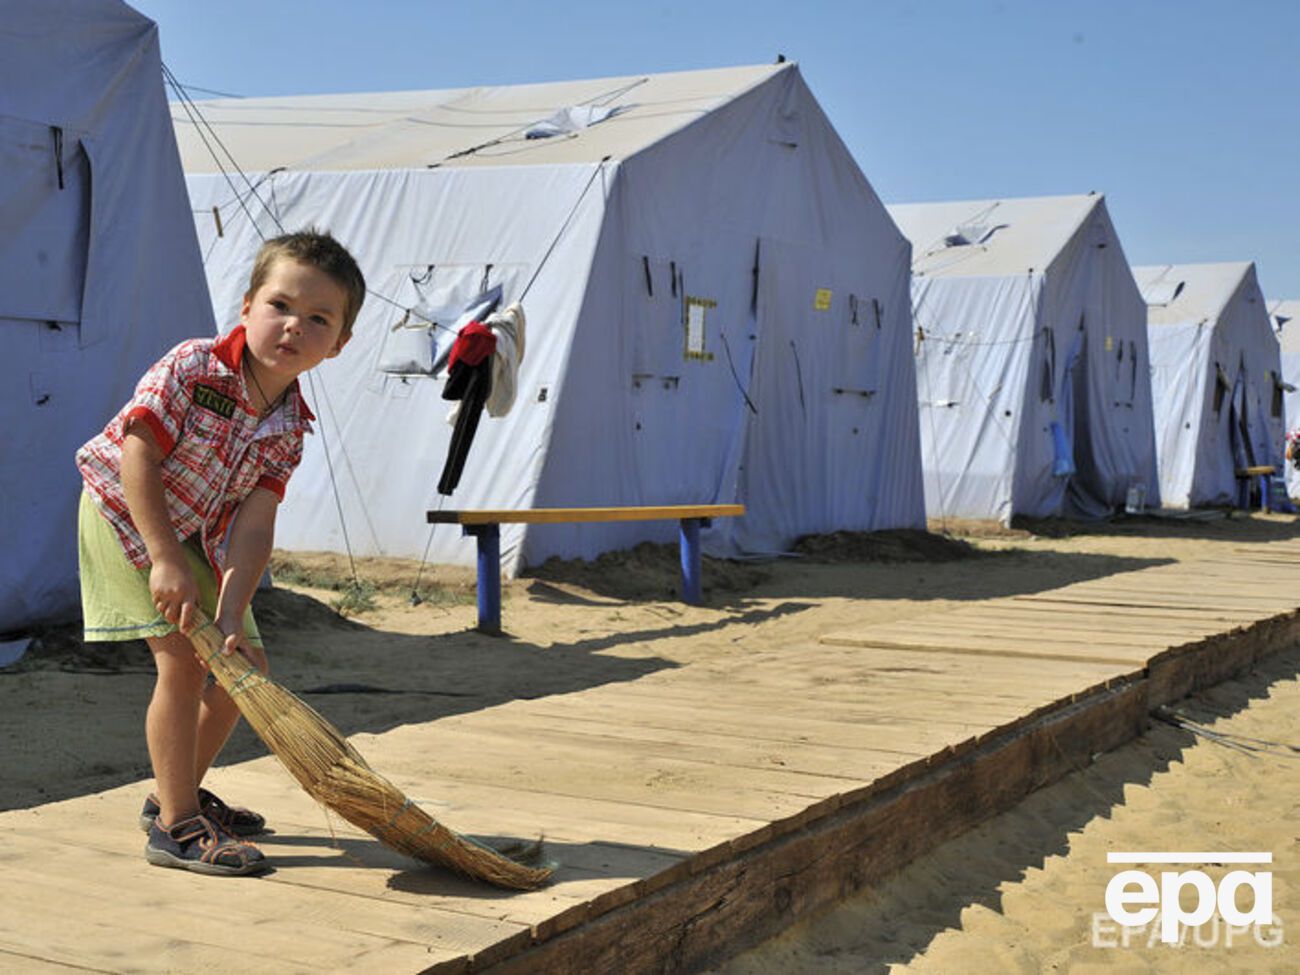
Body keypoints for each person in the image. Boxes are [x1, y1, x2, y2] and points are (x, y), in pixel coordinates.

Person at [75, 229, 365, 876]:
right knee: (180, 660)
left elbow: (254, 525)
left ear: (339, 344)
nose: (294, 326)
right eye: (280, 305)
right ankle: (178, 828)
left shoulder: (290, 427)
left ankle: (170, 793)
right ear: (246, 307)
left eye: (318, 318)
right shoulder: (194, 367)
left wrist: (233, 608)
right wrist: (163, 558)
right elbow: (137, 453)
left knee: (244, 665)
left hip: (196, 536)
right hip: (125, 513)